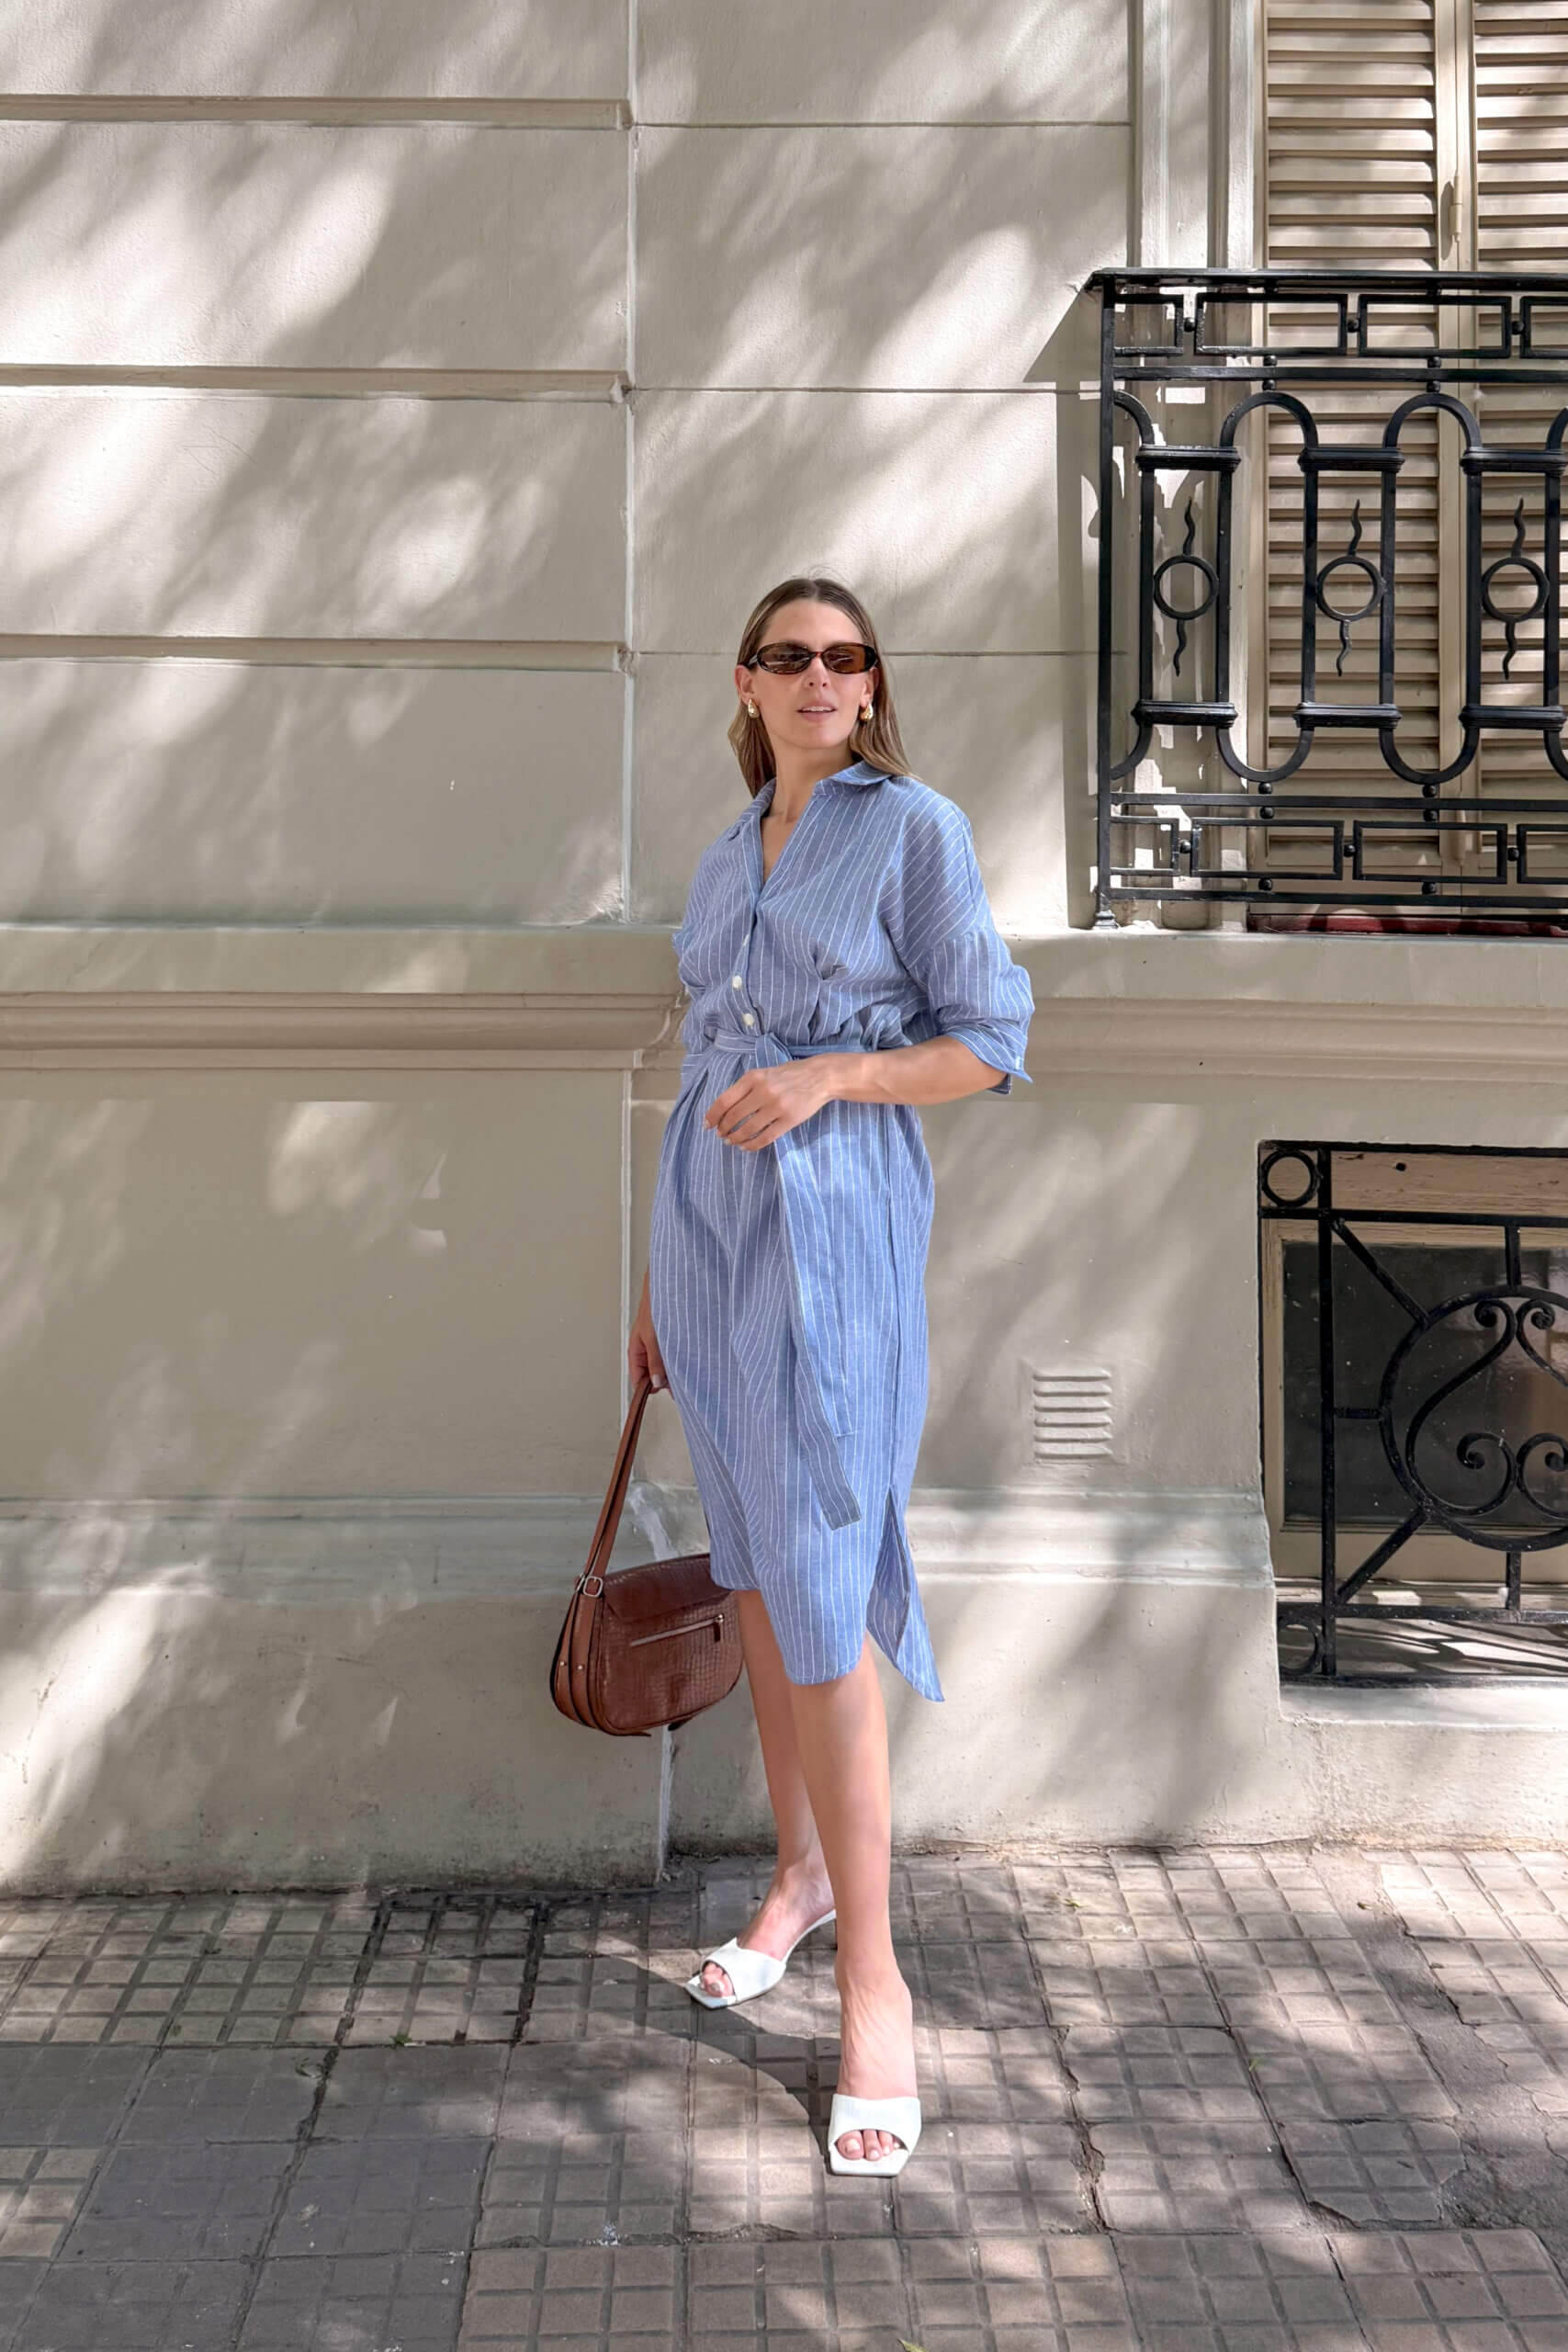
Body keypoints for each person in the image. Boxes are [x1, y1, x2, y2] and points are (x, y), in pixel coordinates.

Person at [628, 574, 1034, 2177]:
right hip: (706, 1235)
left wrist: (833, 1076)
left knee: (821, 1586)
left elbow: (989, 1039)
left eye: (846, 658)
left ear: (872, 687)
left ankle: (878, 1984)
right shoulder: (728, 850)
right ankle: (796, 1877)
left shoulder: (914, 830)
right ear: (746, 682)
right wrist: (652, 1287)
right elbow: (696, 1061)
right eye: (790, 656)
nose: (820, 677)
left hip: (834, 1229)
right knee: (750, 1568)